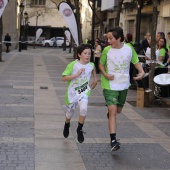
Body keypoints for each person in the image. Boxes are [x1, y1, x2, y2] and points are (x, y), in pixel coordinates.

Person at [99, 26, 144, 151]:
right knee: (113, 111)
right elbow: (101, 64)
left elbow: (135, 61)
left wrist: (141, 72)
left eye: (111, 38)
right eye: (108, 38)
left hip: (123, 85)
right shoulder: (107, 50)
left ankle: (111, 111)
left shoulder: (129, 49)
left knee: (117, 110)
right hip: (109, 85)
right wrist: (105, 74)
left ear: (119, 38)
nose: (108, 41)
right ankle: (113, 141)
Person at [62, 44, 98, 143]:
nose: (87, 55)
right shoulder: (73, 65)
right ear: (79, 55)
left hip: (84, 91)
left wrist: (95, 79)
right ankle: (66, 124)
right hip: (72, 93)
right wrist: (76, 74)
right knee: (70, 113)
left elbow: (93, 70)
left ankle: (79, 129)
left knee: (84, 108)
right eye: (85, 53)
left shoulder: (91, 65)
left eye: (89, 54)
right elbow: (64, 78)